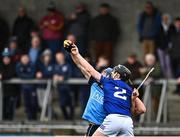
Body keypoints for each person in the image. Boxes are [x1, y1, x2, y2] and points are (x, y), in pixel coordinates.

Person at [64, 40, 144, 136]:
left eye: (106, 73)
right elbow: (81, 66)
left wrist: (77, 54)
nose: (103, 74)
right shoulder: (95, 83)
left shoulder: (109, 83)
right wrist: (73, 54)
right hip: (113, 123)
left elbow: (89, 69)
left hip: (106, 123)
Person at [16, 54, 38, 120]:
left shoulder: (32, 65)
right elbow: (19, 75)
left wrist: (24, 76)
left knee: (33, 103)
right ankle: (30, 119)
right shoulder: (18, 65)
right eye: (23, 59)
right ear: (21, 60)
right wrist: (26, 76)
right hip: (24, 88)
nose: (25, 60)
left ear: (28, 59)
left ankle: (34, 118)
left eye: (26, 59)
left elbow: (32, 75)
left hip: (32, 87)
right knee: (27, 104)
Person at [53, 52, 74, 120]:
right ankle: (66, 117)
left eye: (60, 57)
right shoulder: (55, 66)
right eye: (57, 57)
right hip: (60, 88)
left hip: (68, 88)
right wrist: (55, 77)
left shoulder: (68, 65)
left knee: (70, 104)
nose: (59, 59)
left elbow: (70, 74)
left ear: (63, 57)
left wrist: (63, 77)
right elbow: (52, 73)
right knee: (62, 104)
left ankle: (71, 118)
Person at [0, 48, 19, 120]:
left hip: (12, 92)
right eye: (4, 57)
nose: (6, 59)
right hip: (3, 92)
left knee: (10, 109)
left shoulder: (13, 65)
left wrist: (2, 76)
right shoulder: (1, 65)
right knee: (3, 109)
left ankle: (10, 125)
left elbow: (11, 74)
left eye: (7, 57)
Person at [156, 14, 173, 78]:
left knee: (168, 64)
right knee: (162, 64)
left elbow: (171, 38)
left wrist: (170, 46)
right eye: (164, 19)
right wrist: (159, 46)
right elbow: (157, 38)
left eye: (166, 19)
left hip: (168, 48)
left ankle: (170, 78)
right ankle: (165, 77)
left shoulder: (171, 27)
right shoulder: (159, 27)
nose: (165, 20)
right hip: (160, 48)